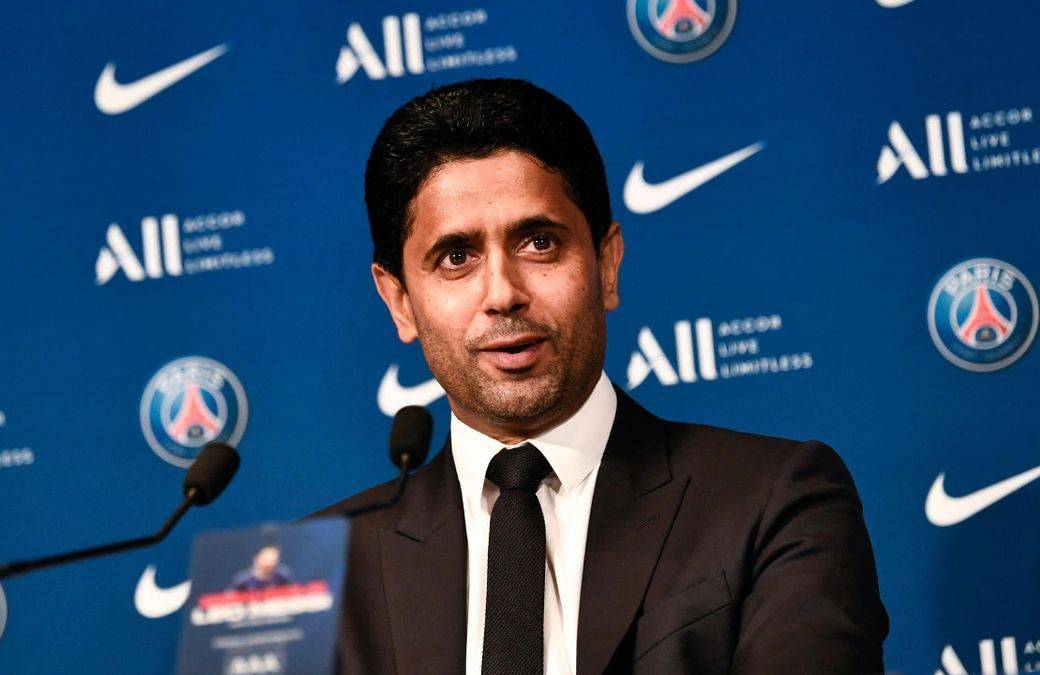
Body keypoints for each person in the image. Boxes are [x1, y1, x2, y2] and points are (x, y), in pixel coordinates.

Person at [318, 78, 888, 674]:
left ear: (606, 263)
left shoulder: (774, 500)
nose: (503, 294)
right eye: (456, 257)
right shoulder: (318, 579)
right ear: (400, 302)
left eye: (539, 243)